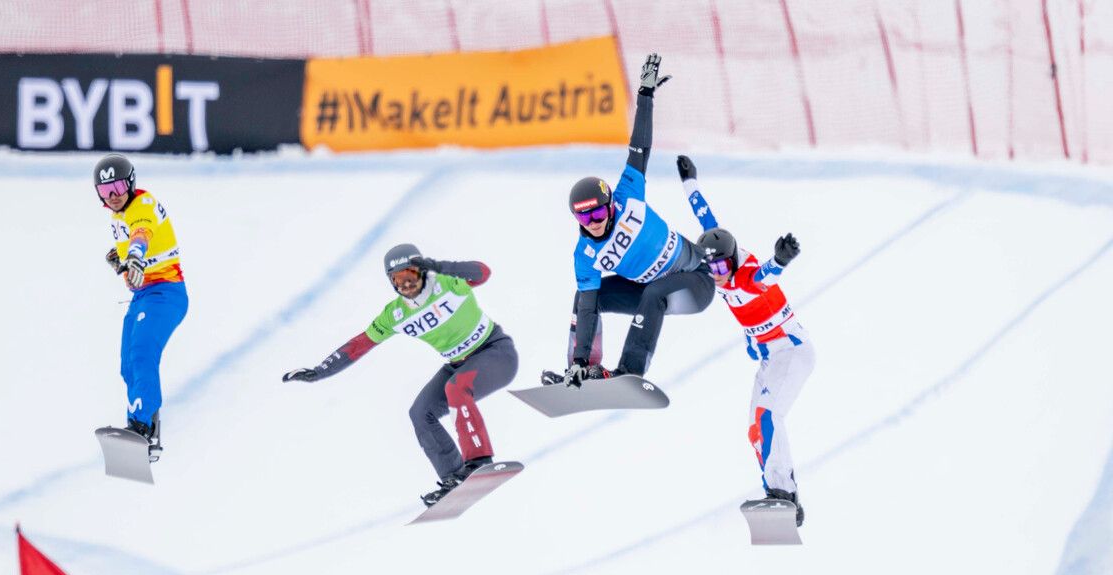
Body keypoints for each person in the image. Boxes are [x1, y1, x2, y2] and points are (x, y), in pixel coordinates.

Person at [283, 244, 518, 506]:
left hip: (495, 353)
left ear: (422, 271)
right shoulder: (396, 314)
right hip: (458, 365)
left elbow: (483, 273)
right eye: (397, 279)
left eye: (410, 275)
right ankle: (454, 478)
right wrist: (320, 371)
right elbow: (360, 344)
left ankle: (479, 461)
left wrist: (439, 266)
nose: (405, 284)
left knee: (455, 387)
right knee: (420, 413)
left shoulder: (448, 283)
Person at [545, 52, 717, 388]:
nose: (593, 222)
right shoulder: (585, 256)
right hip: (649, 291)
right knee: (586, 298)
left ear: (611, 205)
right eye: (584, 217)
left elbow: (640, 146)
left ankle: (630, 371)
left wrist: (645, 95)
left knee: (654, 292)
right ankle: (582, 371)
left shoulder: (629, 195)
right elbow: (588, 309)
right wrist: (579, 359)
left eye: (598, 212)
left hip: (696, 280)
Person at [677, 154, 815, 526]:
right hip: (771, 358)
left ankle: (783, 494)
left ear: (733, 261)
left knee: (768, 416)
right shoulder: (718, 260)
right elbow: (705, 218)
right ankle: (780, 494)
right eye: (710, 268)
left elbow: (765, 277)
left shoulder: (747, 274)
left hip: (791, 350)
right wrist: (690, 182)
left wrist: (780, 260)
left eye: (722, 266)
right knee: (756, 429)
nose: (716, 274)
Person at [94, 154, 187, 460]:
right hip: (144, 296)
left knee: (142, 354)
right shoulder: (118, 215)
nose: (113, 196)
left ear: (131, 184)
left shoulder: (142, 205)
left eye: (119, 187)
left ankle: (140, 427)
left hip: (165, 294)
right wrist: (122, 261)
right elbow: (137, 247)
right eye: (105, 191)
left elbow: (142, 233)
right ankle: (145, 428)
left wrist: (133, 255)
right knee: (128, 366)